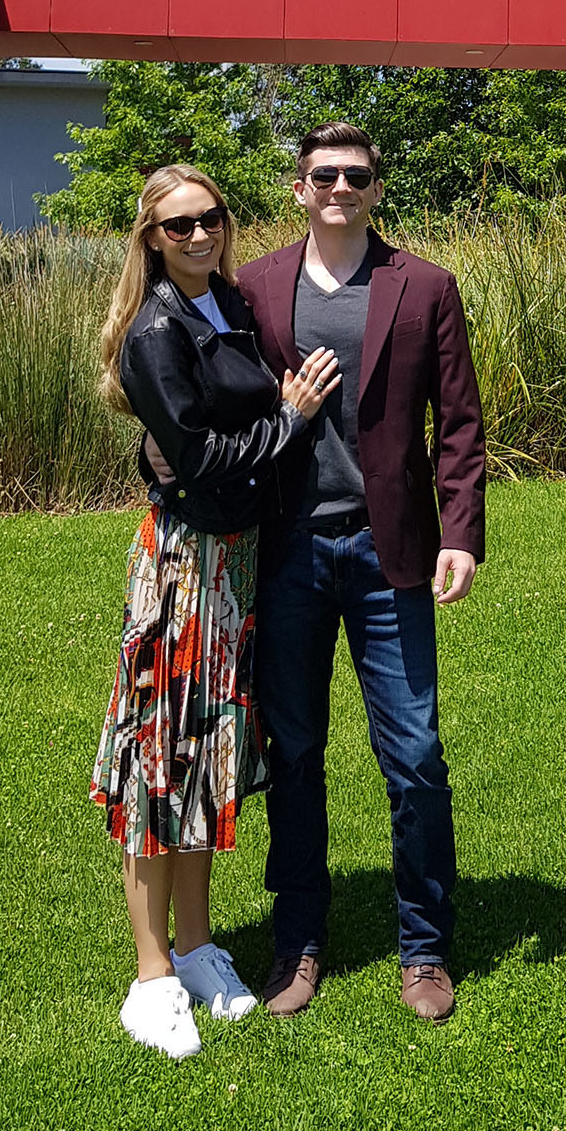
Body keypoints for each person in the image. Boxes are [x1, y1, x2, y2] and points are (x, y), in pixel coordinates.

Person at [156, 121, 487, 1023]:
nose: (341, 187)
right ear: (299, 188)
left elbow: (459, 423)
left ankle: (425, 945)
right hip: (288, 550)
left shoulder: (425, 286)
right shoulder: (254, 287)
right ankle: (299, 938)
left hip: (391, 556)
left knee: (413, 756)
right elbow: (198, 386)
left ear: (376, 188)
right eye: (324, 174)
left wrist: (460, 530)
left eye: (357, 174)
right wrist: (159, 451)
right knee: (295, 754)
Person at [92, 163, 339, 1059]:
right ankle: (151, 973)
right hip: (184, 570)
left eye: (212, 218)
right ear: (151, 239)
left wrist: (267, 425)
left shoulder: (228, 305)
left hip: (236, 561)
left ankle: (196, 945)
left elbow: (202, 438)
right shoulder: (155, 330)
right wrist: (290, 420)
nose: (200, 235)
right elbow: (196, 458)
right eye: (180, 225)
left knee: (204, 757)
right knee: (159, 761)